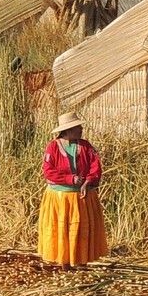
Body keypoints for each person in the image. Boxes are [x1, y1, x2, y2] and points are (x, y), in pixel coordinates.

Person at [38, 112, 107, 267]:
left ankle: (81, 260)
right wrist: (71, 179)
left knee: (80, 228)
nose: (81, 129)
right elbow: (48, 171)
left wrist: (87, 182)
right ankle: (64, 262)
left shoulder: (85, 146)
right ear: (67, 131)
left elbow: (95, 166)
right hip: (60, 197)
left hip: (81, 196)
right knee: (63, 229)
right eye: (77, 127)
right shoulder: (53, 147)